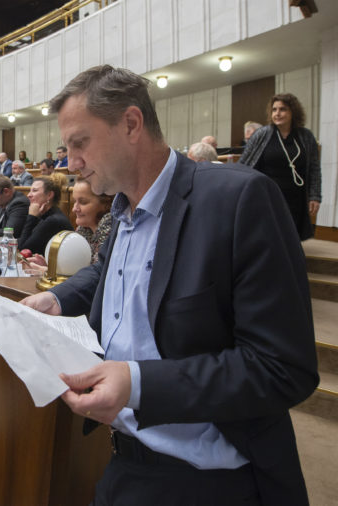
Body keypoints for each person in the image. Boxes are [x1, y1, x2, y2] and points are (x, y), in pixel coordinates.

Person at [20, 65, 317, 505]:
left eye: (79, 143)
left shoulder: (239, 200)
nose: (71, 162)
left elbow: (282, 368)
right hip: (124, 460)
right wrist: (56, 297)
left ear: (131, 124)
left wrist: (137, 383)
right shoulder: (122, 210)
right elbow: (112, 271)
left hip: (210, 479)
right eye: (66, 148)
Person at [240, 92, 321, 240]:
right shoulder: (261, 134)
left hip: (296, 197)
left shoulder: (306, 136)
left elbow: (315, 169)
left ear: (293, 112)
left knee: (292, 237)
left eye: (283, 109)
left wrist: (315, 195)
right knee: (269, 236)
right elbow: (244, 164)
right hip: (268, 195)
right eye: (274, 109)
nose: (277, 113)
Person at [17, 177, 73, 254]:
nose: (29, 195)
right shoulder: (46, 215)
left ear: (49, 195)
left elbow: (23, 250)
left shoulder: (53, 221)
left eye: (34, 190)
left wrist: (31, 217)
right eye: (30, 191)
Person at [70, 179, 113, 264]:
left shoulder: (111, 232)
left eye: (83, 202)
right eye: (75, 201)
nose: (74, 209)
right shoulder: (83, 230)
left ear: (105, 204)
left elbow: (98, 274)